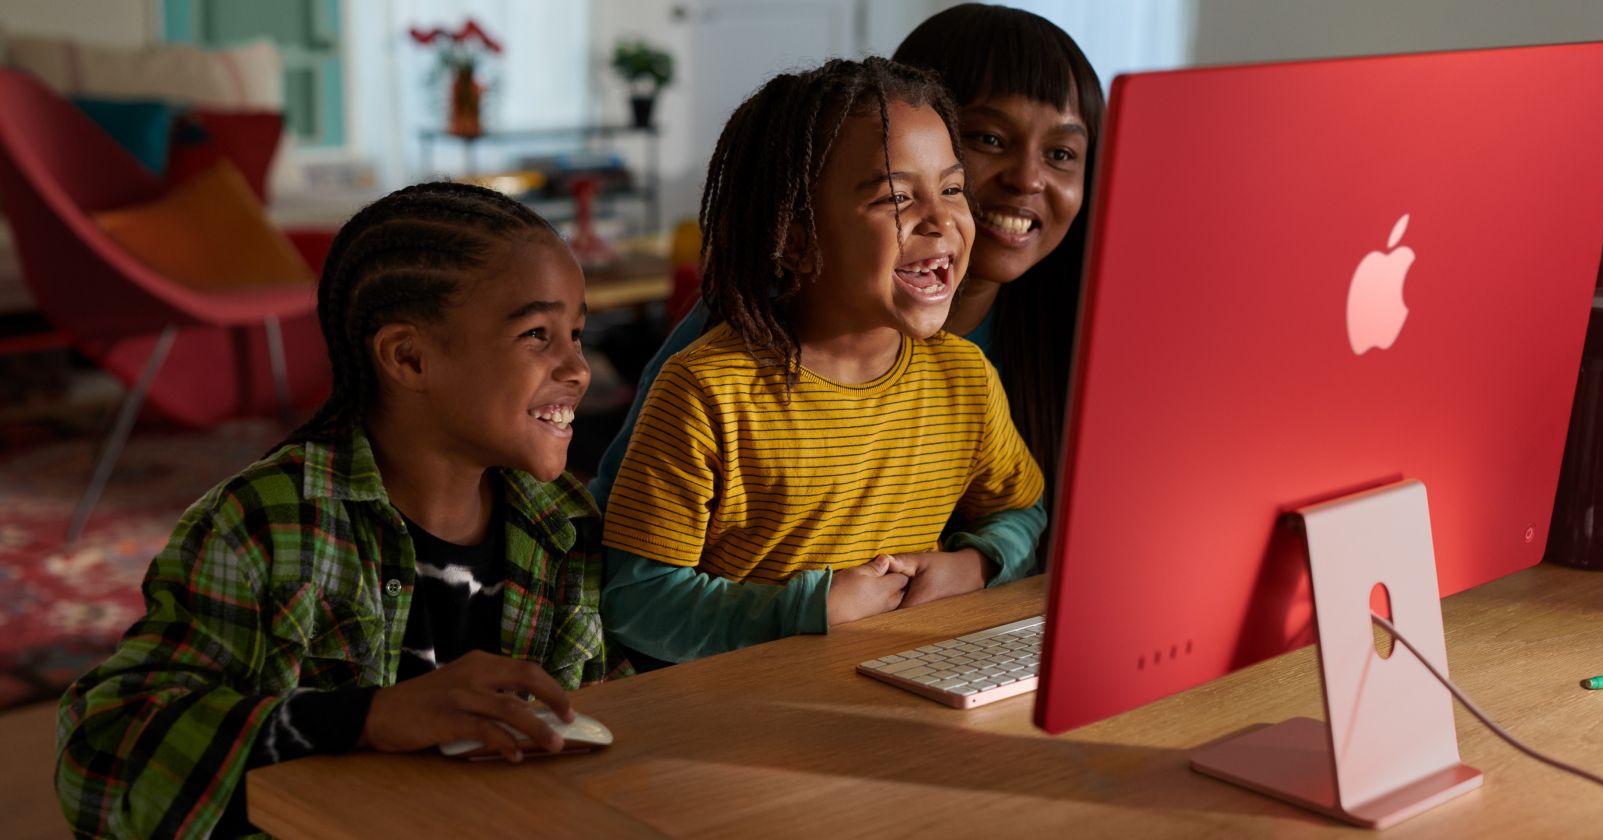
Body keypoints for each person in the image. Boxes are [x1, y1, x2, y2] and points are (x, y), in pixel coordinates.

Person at [55, 183, 625, 838]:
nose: (579, 367)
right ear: (408, 356)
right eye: (537, 334)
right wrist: (368, 717)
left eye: (577, 334)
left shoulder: (567, 523)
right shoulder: (262, 526)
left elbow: (614, 713)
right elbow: (103, 756)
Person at [599, 57, 1046, 666]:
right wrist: (803, 611)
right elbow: (637, 601)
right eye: (896, 197)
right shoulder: (706, 391)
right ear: (795, 236)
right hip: (731, 722)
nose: (941, 221)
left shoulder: (965, 379)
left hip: (902, 692)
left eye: (951, 188)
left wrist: (976, 564)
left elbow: (1020, 508)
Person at [591, 3, 1103, 529]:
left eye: (1062, 154)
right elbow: (626, 530)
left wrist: (979, 559)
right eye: (988, 139)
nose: (1027, 179)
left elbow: (1026, 515)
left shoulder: (1050, 340)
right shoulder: (745, 333)